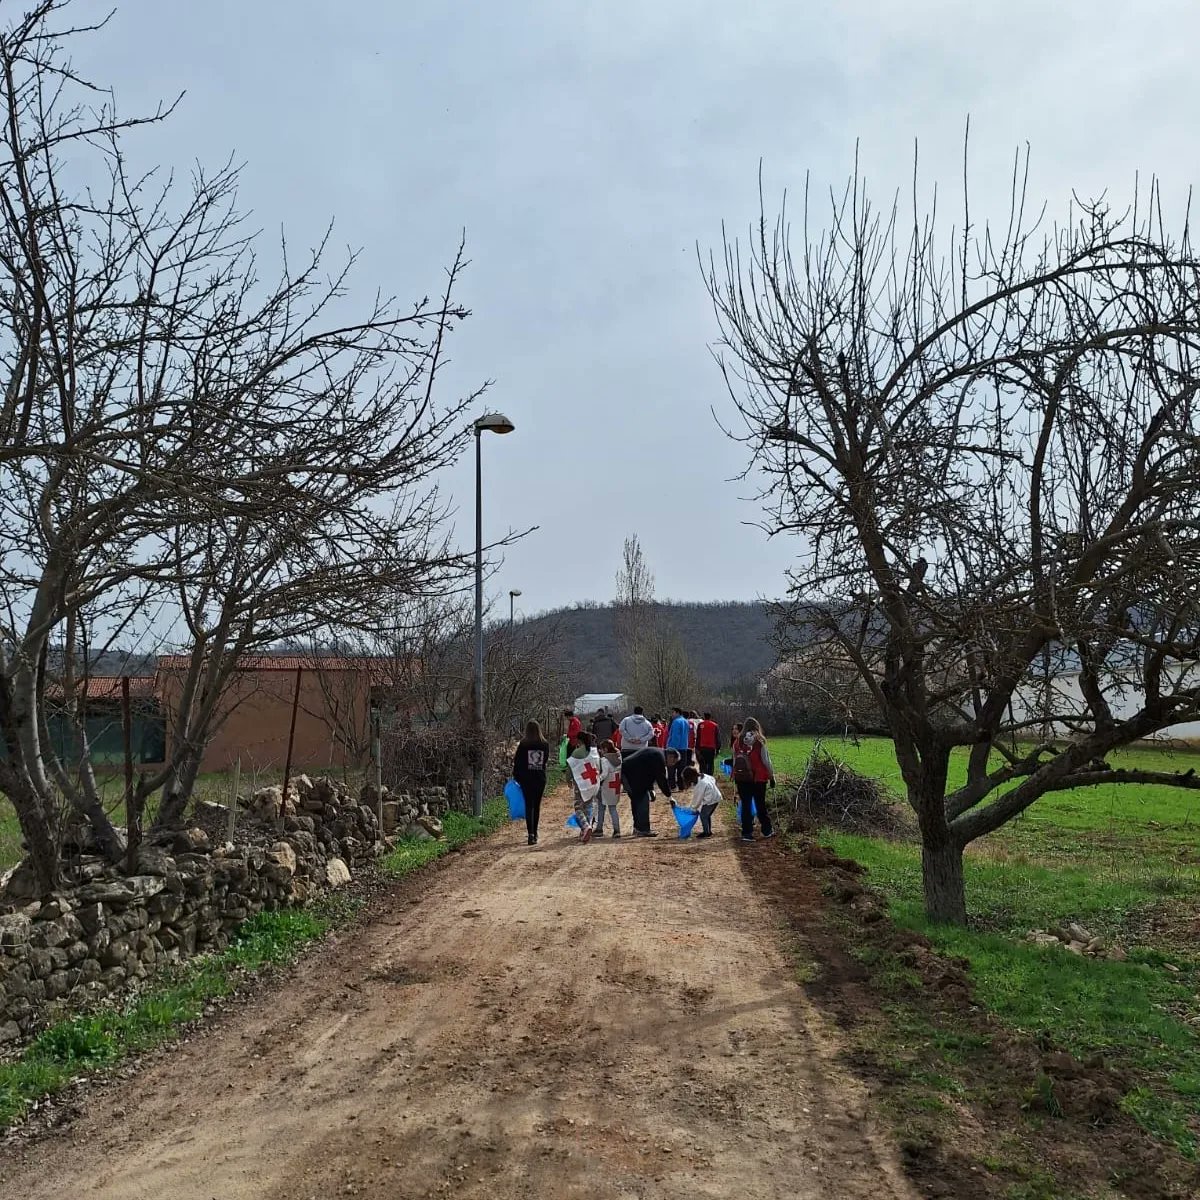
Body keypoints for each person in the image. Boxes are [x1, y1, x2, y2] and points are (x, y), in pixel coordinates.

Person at [733, 717, 775, 842]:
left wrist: (735, 775)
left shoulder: (737, 741)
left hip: (742, 778)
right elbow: (766, 761)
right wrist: (771, 777)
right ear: (757, 727)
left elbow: (735, 760)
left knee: (746, 805)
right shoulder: (759, 741)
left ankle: (747, 833)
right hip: (758, 778)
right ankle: (767, 830)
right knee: (760, 804)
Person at [512, 719, 551, 845]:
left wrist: (517, 776)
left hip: (526, 779)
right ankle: (535, 832)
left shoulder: (523, 745)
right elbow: (545, 760)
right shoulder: (544, 744)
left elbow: (517, 762)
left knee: (529, 806)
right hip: (539, 778)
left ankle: (530, 834)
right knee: (537, 806)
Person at [619, 744, 671, 837]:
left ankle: (638, 828)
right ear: (671, 756)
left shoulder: (657, 752)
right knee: (642, 801)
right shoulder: (659, 757)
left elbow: (649, 772)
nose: (671, 765)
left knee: (636, 801)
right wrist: (669, 795)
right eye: (673, 762)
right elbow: (661, 778)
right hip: (632, 775)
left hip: (628, 773)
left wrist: (651, 789)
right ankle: (643, 829)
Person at [567, 731, 599, 843]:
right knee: (588, 806)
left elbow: (570, 767)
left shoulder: (576, 752)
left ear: (579, 740)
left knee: (578, 807)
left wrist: (568, 780)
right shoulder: (594, 751)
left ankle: (585, 826)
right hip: (593, 783)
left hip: (581, 784)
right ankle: (585, 829)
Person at [681, 764, 722, 838]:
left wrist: (692, 809)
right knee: (707, 815)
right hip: (716, 797)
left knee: (703, 815)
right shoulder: (704, 776)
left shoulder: (700, 784)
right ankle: (708, 831)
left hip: (711, 800)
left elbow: (697, 799)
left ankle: (706, 832)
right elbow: (713, 779)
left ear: (691, 777)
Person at [596, 739, 623, 837]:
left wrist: (597, 780)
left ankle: (599, 829)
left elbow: (604, 774)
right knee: (613, 808)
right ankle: (617, 830)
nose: (600, 751)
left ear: (606, 749)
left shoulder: (604, 760)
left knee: (601, 807)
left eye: (601, 749)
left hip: (606, 787)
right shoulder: (619, 757)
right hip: (615, 786)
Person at [665, 707, 691, 788]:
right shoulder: (686, 721)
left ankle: (672, 785)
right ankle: (681, 785)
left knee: (671, 767)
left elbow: (675, 736)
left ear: (677, 713)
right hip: (684, 747)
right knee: (681, 768)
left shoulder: (676, 722)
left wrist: (672, 748)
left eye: (673, 712)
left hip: (674, 748)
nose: (672, 714)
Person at [696, 712, 721, 776]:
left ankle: (702, 776)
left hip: (702, 748)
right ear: (710, 717)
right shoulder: (715, 725)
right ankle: (710, 777)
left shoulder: (700, 724)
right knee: (710, 764)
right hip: (711, 748)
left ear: (704, 717)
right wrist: (718, 748)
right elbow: (717, 738)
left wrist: (697, 748)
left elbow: (698, 737)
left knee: (702, 764)